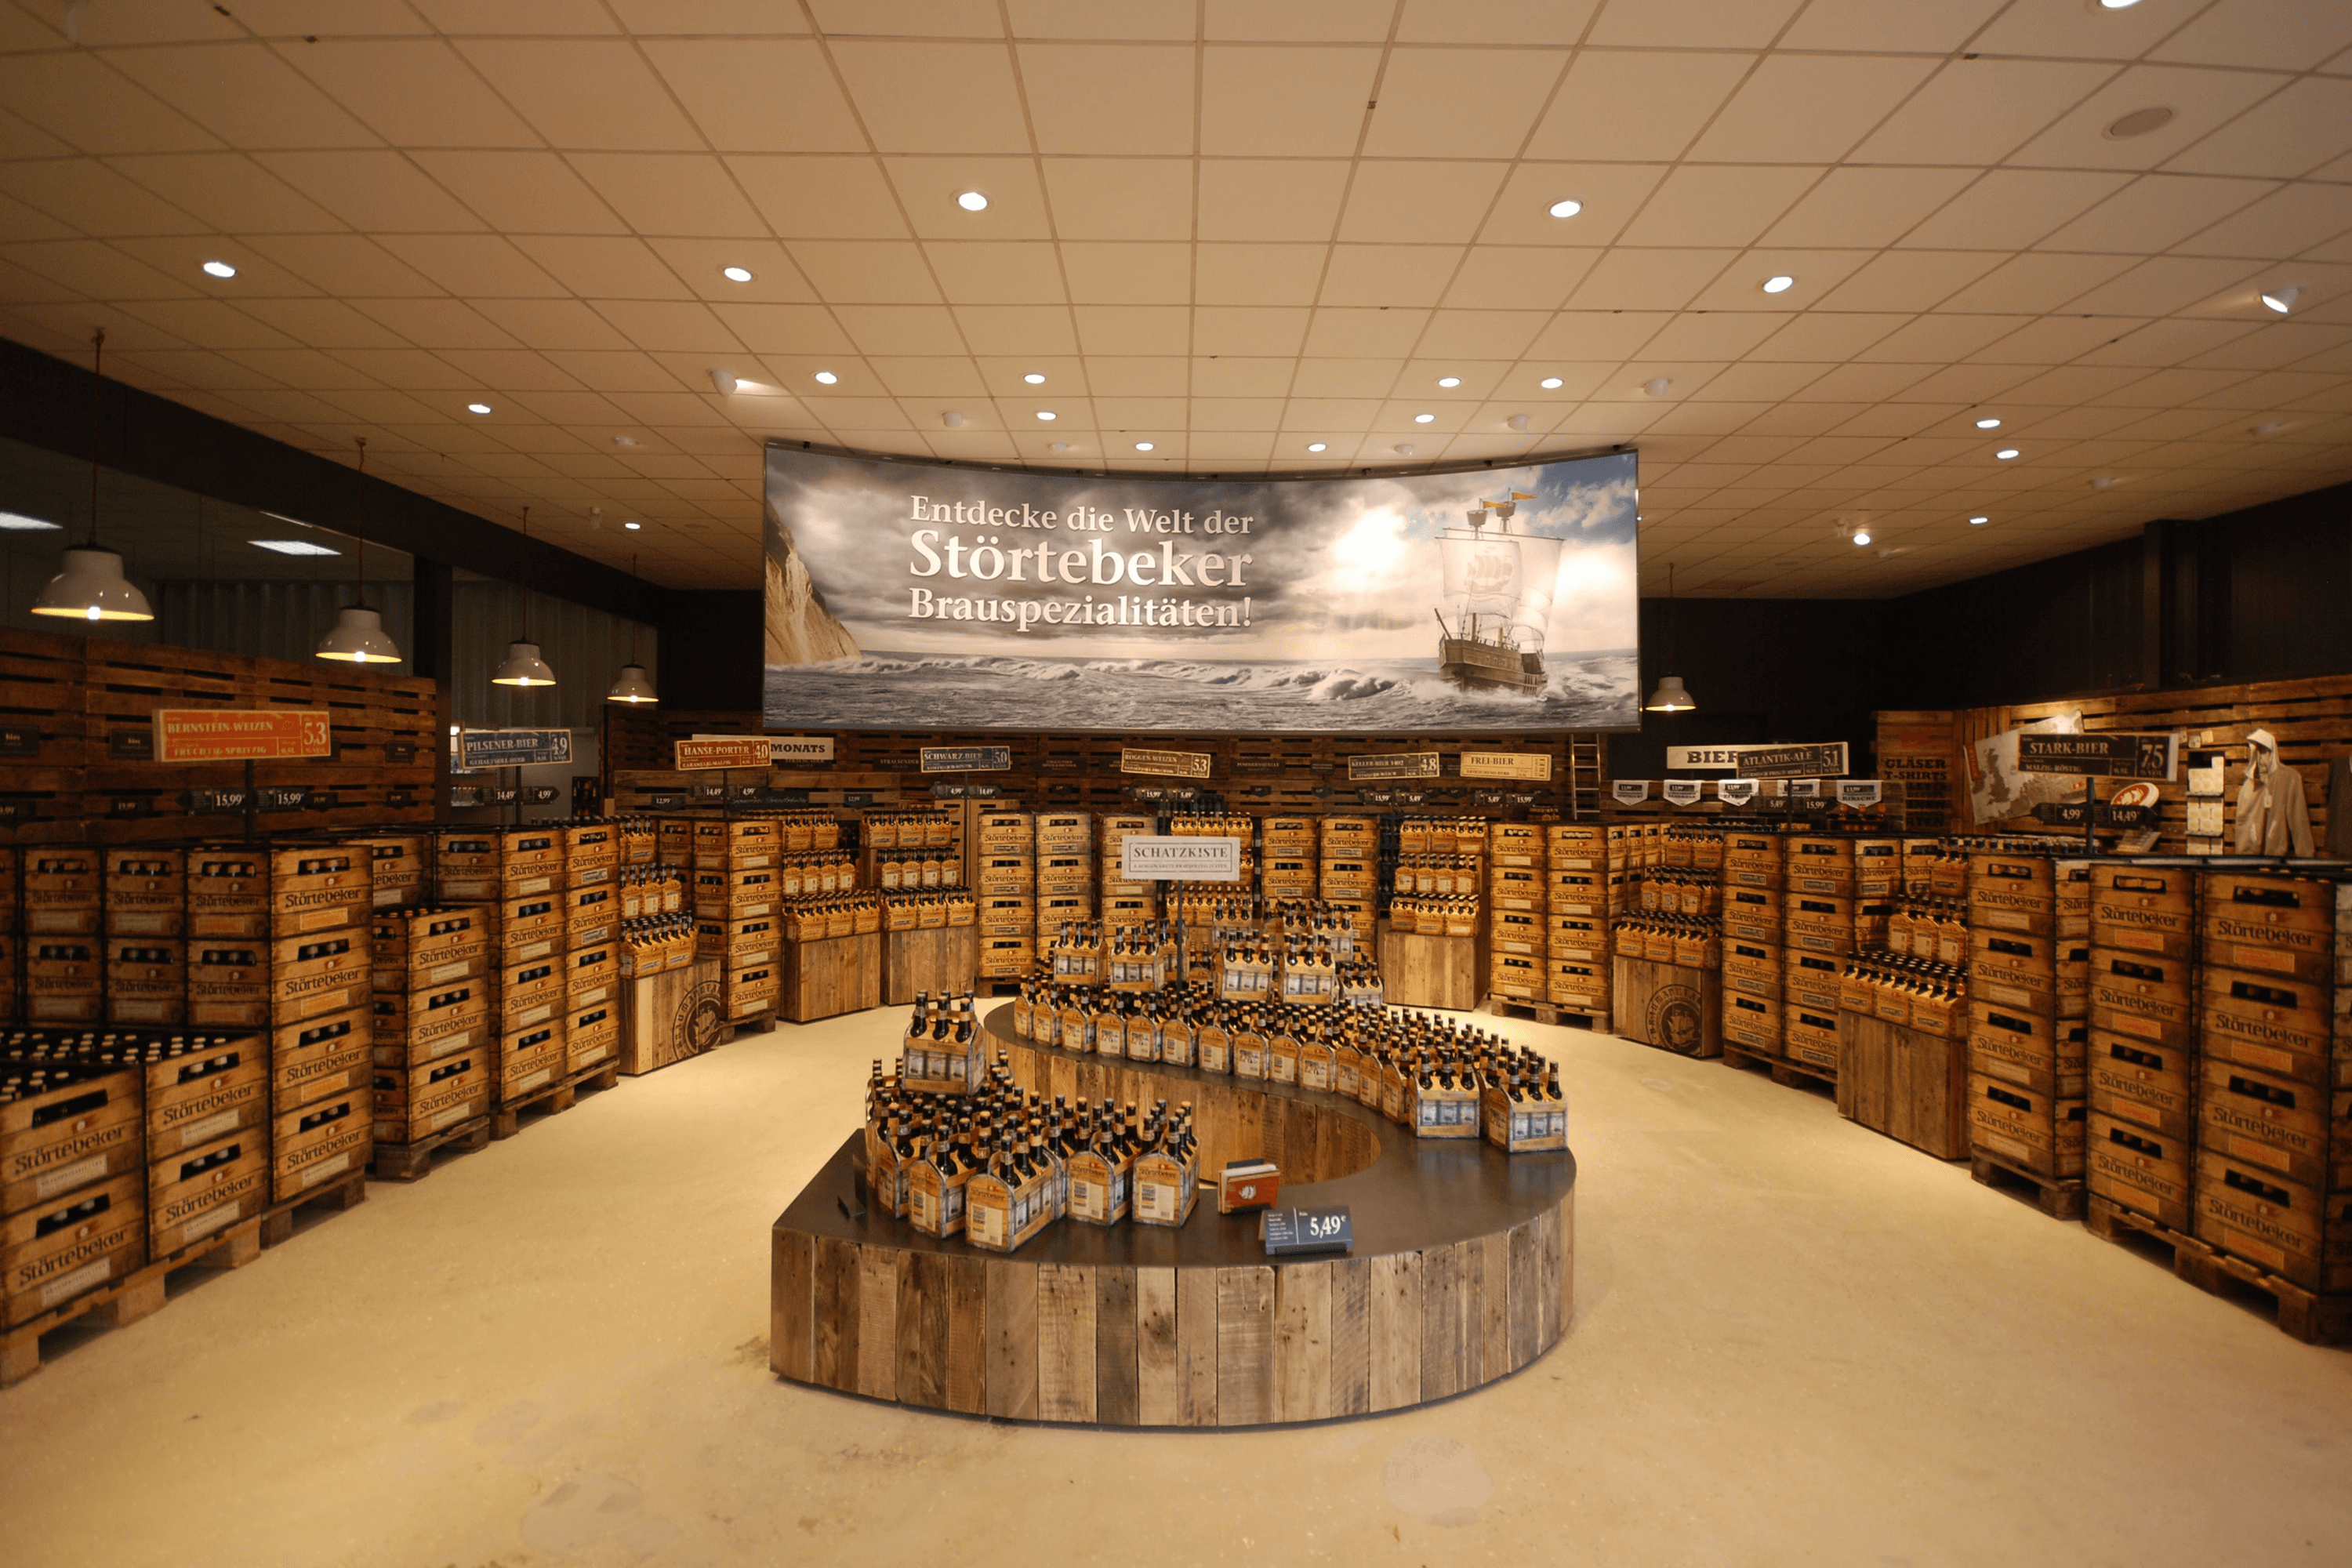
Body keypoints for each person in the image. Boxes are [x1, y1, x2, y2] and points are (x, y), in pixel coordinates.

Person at [2234, 728, 2314, 856]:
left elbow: (2299, 819)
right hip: (2251, 858)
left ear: (2273, 752)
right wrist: (2242, 854)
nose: (2261, 758)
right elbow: (2242, 822)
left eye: (2265, 751)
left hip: (2275, 856)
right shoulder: (2250, 784)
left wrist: (2306, 858)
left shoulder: (2289, 778)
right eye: (2257, 752)